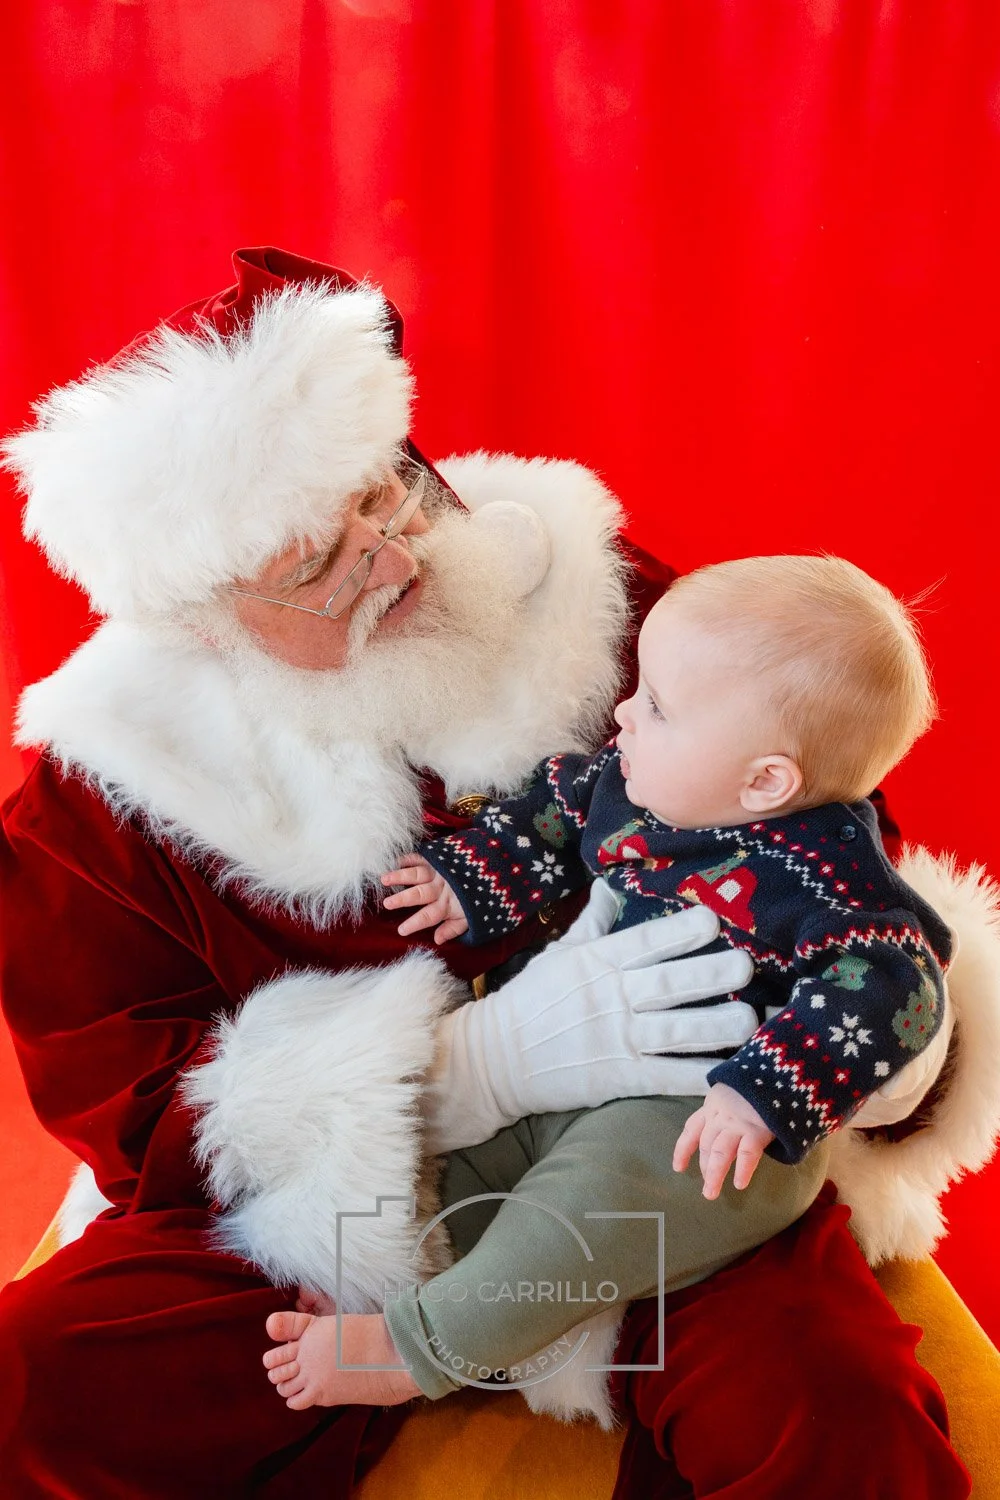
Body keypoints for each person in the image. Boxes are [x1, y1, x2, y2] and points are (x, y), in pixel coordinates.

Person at [0, 247, 981, 1498]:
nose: (398, 558)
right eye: (318, 562)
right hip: (339, 1230)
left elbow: (828, 835)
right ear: (204, 617)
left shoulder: (606, 603)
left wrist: (843, 1049)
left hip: (669, 1180)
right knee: (36, 1381)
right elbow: (125, 1097)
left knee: (830, 1417)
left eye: (394, 493)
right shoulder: (106, 789)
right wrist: (469, 1076)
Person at [259, 554, 949, 1411]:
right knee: (461, 1172)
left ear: (765, 781)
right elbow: (554, 806)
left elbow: (895, 983)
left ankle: (416, 1351)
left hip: (700, 1127)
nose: (623, 713)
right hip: (568, 1080)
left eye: (656, 706)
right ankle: (389, 1281)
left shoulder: (827, 879)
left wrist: (763, 1094)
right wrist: (469, 878)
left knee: (580, 1222)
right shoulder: (639, 783)